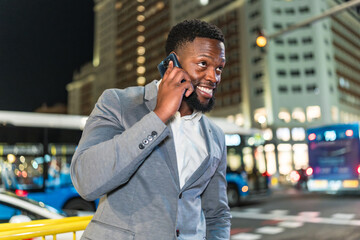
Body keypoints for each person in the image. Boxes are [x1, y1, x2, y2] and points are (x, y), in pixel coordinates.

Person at [70, 19, 231, 240]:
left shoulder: (215, 136)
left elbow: (217, 213)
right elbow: (86, 180)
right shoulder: (117, 102)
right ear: (173, 63)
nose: (214, 77)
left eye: (219, 68)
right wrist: (158, 116)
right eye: (203, 64)